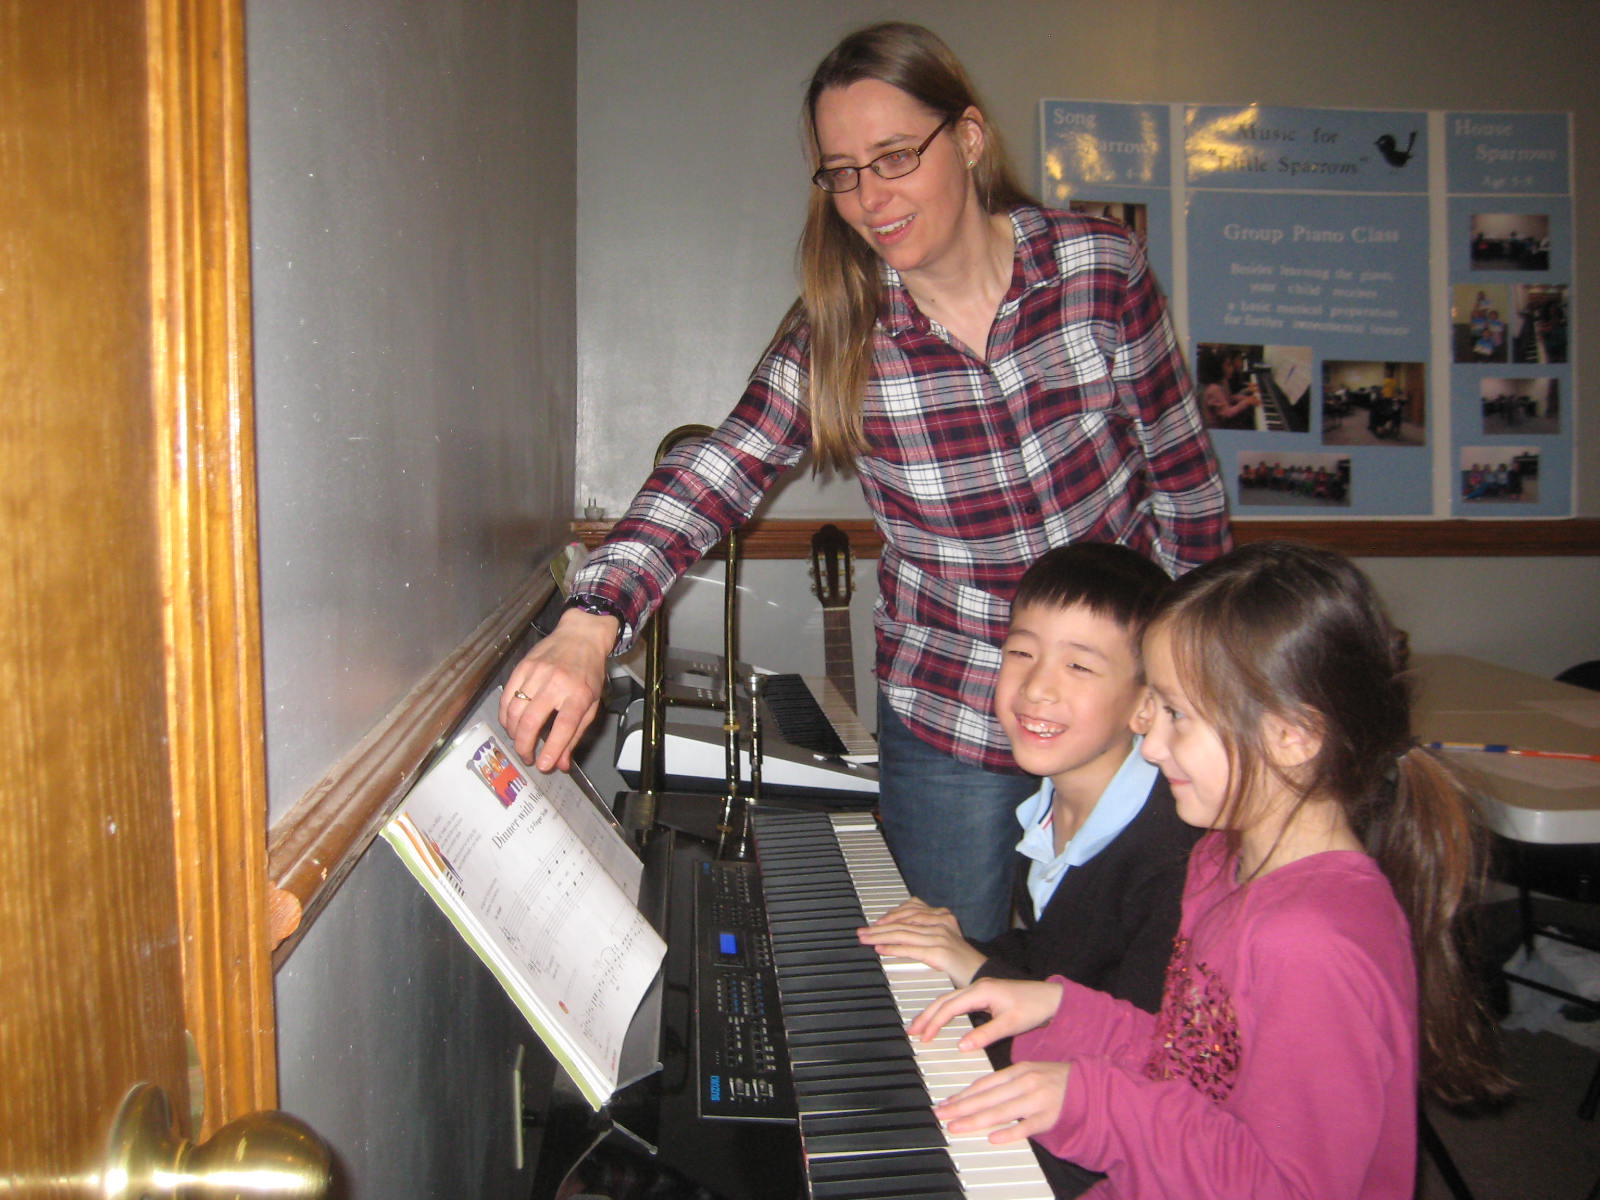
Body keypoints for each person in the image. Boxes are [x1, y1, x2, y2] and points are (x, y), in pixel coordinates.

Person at [499, 21, 1229, 942]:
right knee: (944, 982)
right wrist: (589, 623)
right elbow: (714, 474)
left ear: (967, 138)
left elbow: (1185, 486)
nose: (869, 198)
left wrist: (1208, 682)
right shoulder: (837, 333)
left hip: (1127, 702)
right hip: (952, 710)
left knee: (1134, 963)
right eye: (842, 172)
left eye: (893, 158)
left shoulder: (1098, 271)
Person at [908, 541, 1511, 1199]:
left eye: (1177, 715)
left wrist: (1097, 1103)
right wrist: (1059, 1008)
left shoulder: (1311, 944)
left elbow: (1289, 1187)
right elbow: (1195, 1058)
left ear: (1294, 736)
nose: (1153, 741)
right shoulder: (1220, 862)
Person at [857, 541, 1199, 1198]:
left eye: (1080, 665)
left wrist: (973, 963)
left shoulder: (1172, 858)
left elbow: (1135, 1052)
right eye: (1021, 652)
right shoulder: (1049, 805)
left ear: (1145, 704)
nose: (1038, 686)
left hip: (1123, 1147)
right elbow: (1059, 963)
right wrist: (963, 945)